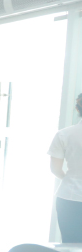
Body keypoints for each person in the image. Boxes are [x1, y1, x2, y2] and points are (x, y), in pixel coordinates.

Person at [50, 94, 82, 243]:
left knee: (70, 247)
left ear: (77, 108)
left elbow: (55, 169)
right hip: (69, 199)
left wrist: (70, 180)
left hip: (69, 198)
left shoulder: (64, 134)